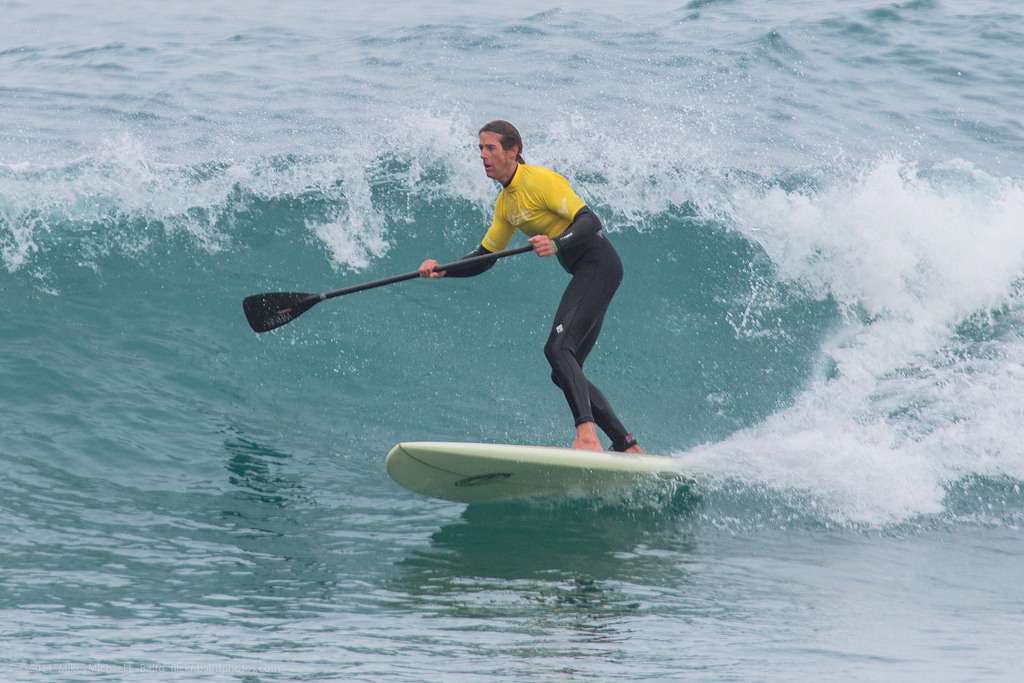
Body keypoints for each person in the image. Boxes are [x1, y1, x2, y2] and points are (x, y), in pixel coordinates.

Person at [418, 120, 641, 454]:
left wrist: (557, 242)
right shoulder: (506, 204)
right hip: (586, 270)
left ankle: (587, 437)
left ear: (514, 151)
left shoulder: (539, 181)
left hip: (599, 264)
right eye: (480, 148)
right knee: (564, 371)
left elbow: (590, 220)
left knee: (557, 349)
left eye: (490, 148)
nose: (483, 155)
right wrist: (443, 271)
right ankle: (626, 445)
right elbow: (485, 256)